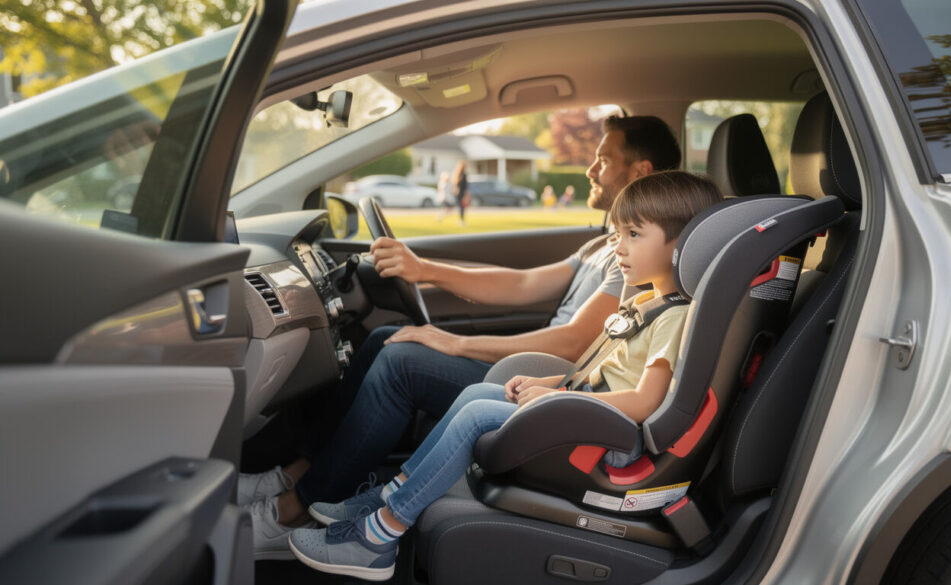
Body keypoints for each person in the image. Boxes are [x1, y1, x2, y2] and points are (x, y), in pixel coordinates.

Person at [242, 115, 683, 558]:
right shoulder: (605, 245)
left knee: (400, 361)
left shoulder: (639, 267)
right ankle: (297, 475)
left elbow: (574, 345)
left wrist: (454, 342)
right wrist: (424, 269)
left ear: (640, 172)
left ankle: (297, 508)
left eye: (603, 160)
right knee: (385, 340)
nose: (591, 169)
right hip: (548, 380)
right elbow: (524, 284)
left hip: (554, 375)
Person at [286, 170, 725, 579]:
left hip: (608, 444)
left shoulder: (674, 318)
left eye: (633, 235)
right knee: (478, 395)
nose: (621, 247)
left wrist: (559, 401)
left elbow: (646, 402)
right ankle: (387, 495)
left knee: (477, 415)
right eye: (618, 234)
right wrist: (548, 385)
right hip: (587, 414)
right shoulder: (643, 304)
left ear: (682, 244)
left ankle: (378, 537)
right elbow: (597, 372)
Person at [452, 161, 470, 225]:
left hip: (458, 193)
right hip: (461, 193)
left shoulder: (457, 174)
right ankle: (461, 220)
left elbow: (456, 185)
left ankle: (461, 219)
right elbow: (465, 186)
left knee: (461, 207)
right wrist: (466, 194)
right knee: (462, 207)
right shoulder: (463, 175)